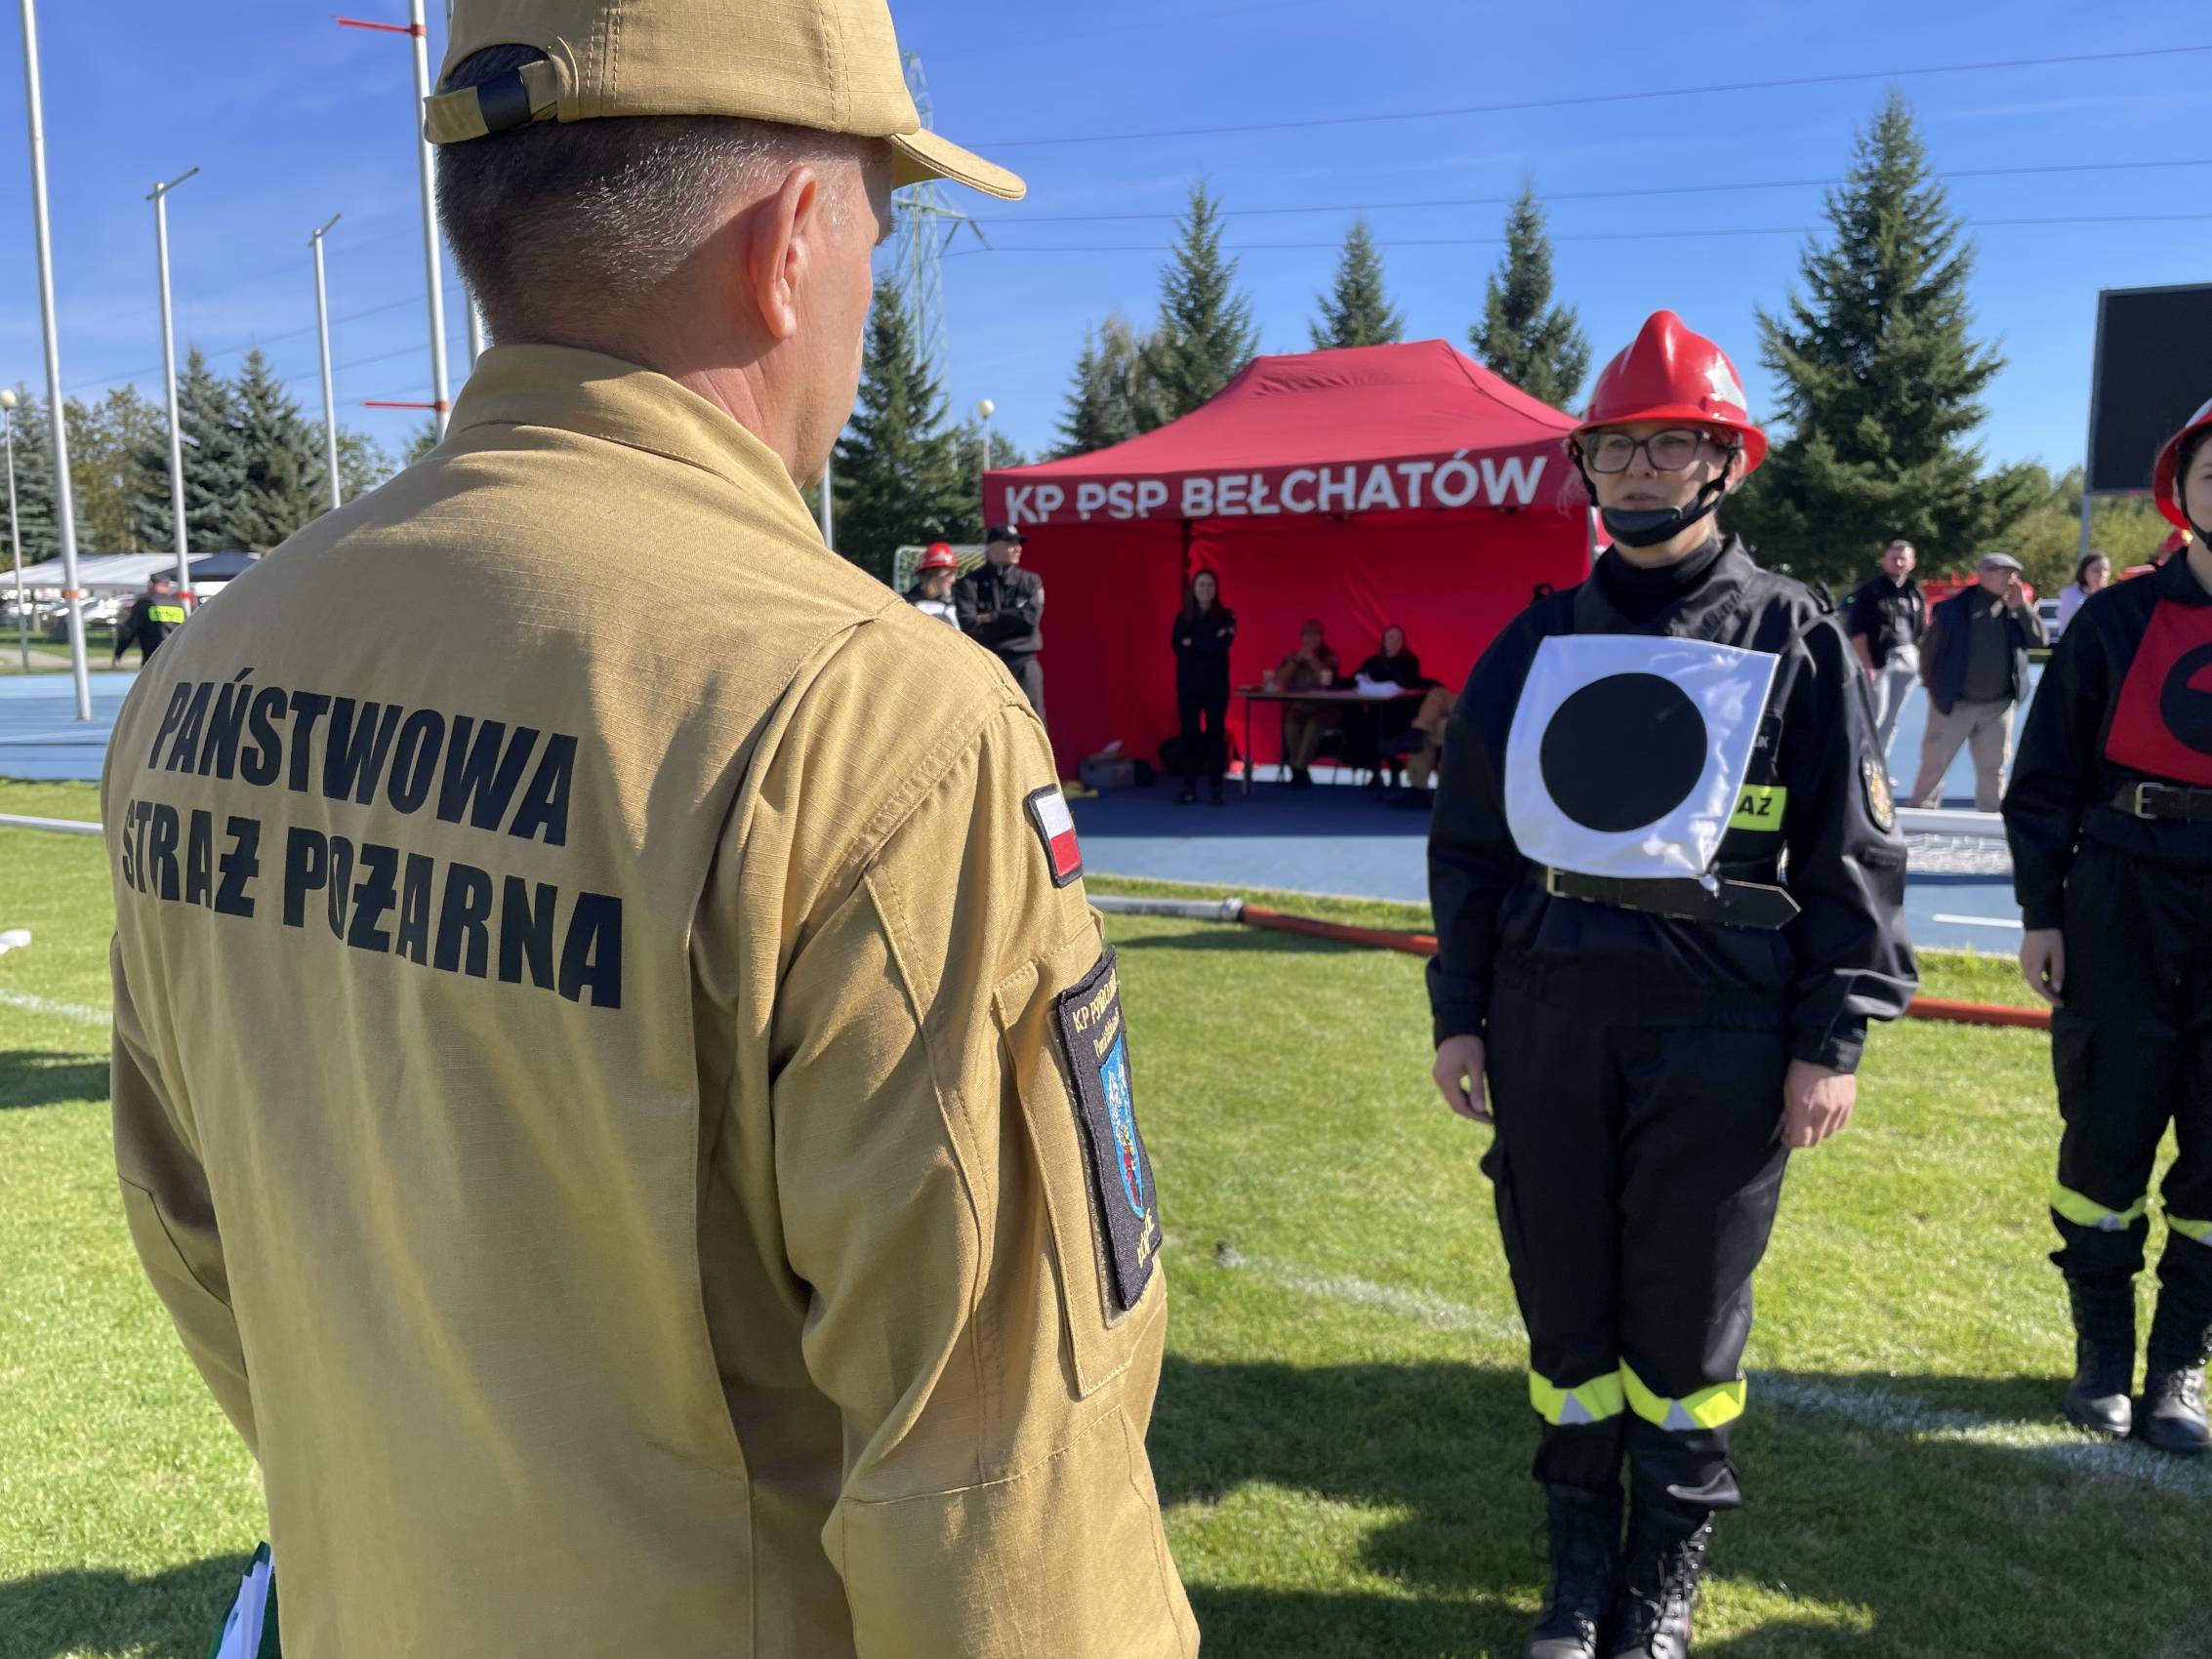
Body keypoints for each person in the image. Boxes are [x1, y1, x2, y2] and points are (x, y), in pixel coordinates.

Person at [100, 3, 1199, 1653]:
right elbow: (998, 1498)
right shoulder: (873, 719)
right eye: (880, 226)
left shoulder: (207, 668)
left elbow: (198, 1240)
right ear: (792, 241)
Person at [1428, 310, 1915, 1659]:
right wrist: (1460, 1013)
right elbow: (1469, 844)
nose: (1640, 470)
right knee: (1565, 1302)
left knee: (1687, 1314)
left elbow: (1852, 850)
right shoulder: (1533, 641)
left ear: (1725, 463)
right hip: (1548, 1014)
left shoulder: (1792, 631)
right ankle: (1581, 1572)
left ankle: (1662, 1578)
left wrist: (1832, 1037)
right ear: (1586, 465)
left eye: (1671, 446)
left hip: (1722, 1024)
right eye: (1618, 447)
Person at [2003, 394, 2212, 1460]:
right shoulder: (2116, 620)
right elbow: (2043, 778)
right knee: (2105, 1129)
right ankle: (2102, 1353)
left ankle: (2179, 1361)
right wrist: (2043, 911)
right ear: (2182, 491)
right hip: (2120, 890)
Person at [1906, 552, 2048, 810]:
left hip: (1998, 706)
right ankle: (1920, 814)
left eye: (2014, 574)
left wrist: (2022, 608)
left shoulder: (2014, 610)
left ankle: (1991, 819)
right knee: (1934, 766)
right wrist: (1934, 689)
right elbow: (1930, 651)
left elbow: (2039, 641)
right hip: (1954, 703)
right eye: (2003, 573)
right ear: (1983, 574)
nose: (2010, 579)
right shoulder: (1954, 609)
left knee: (1994, 769)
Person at [1844, 538, 1925, 764]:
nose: (1898, 563)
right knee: (1873, 716)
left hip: (1907, 656)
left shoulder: (1914, 593)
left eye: (1903, 559)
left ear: (1912, 562)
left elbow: (1920, 630)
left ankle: (1879, 765)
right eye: (1894, 558)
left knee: (1892, 719)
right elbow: (1858, 632)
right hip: (1879, 660)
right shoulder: (1871, 591)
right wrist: (1867, 665)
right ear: (1885, 561)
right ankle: (1858, 763)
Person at [954, 524, 1046, 722]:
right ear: (992, 546)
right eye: (1010, 543)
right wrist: (1012, 619)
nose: (1017, 548)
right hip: (987, 666)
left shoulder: (1030, 581)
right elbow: (970, 627)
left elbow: (1029, 620)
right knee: (989, 723)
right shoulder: (969, 584)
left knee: (1033, 722)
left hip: (1023, 663)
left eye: (1019, 543)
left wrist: (992, 617)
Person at [1169, 567, 1235, 805]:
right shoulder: (1182, 618)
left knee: (1216, 734)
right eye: (1201, 585)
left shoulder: (1226, 616)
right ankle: (1189, 787)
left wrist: (1194, 642)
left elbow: (1222, 645)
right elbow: (1178, 647)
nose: (1206, 589)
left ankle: (1216, 787)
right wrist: (1207, 641)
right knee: (1190, 736)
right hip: (1188, 687)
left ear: (1216, 589)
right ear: (1194, 589)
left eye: (1210, 585)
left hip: (1216, 687)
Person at [1353, 624, 1425, 789]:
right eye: (1390, 638)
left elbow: (1409, 683)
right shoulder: (1373, 661)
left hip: (1400, 712)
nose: (1394, 641)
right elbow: (1356, 677)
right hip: (1376, 710)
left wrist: (1393, 664)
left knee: (1378, 727)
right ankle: (1377, 770)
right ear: (1384, 641)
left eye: (1398, 638)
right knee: (1360, 723)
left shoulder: (1409, 661)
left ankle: (1393, 767)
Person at [1273, 619, 1339, 787]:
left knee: (1314, 725)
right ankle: (1299, 771)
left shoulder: (1330, 657)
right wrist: (1295, 662)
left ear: (1322, 638)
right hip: (1301, 707)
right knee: (1291, 724)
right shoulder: (1294, 657)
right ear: (1302, 637)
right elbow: (1279, 680)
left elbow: (1327, 679)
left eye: (1316, 635)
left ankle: (1298, 769)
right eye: (1308, 635)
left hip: (1325, 708)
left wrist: (1312, 660)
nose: (1312, 639)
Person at [110, 574, 186, 666]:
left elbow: (129, 630)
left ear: (151, 584)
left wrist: (119, 652)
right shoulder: (178, 604)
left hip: (152, 657)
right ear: (167, 586)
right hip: (177, 656)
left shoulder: (145, 604)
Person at [905, 540, 961, 628]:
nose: (953, 580)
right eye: (949, 573)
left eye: (955, 573)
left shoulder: (957, 604)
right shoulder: (907, 606)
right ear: (931, 573)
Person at [2054, 550, 2110, 632]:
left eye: (2105, 570)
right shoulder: (2071, 596)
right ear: (2084, 572)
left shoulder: (2111, 597)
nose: (2102, 574)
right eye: (2095, 570)